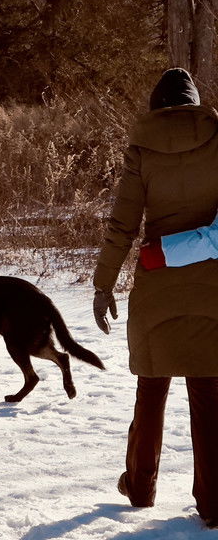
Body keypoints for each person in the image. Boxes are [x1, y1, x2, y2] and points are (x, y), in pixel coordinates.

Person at [93, 67, 218, 528]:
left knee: (151, 386)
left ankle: (140, 487)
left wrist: (103, 283)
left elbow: (122, 224)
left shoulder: (141, 150)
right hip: (212, 286)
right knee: (209, 391)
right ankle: (214, 501)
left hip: (156, 281)